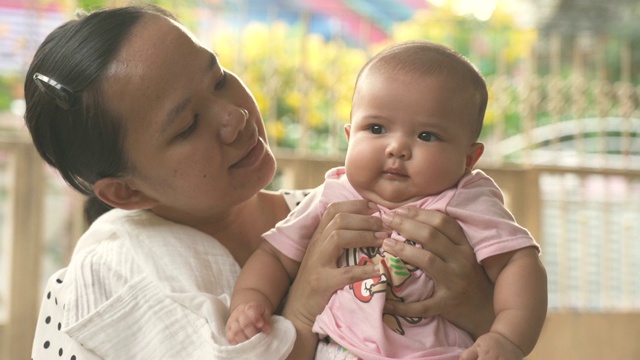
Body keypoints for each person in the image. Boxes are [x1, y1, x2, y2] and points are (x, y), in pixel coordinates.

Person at [26, 5, 497, 360]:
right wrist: (300, 314)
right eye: (187, 125)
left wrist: (480, 310)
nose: (234, 117)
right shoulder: (98, 289)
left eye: (218, 79)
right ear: (126, 192)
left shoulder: (340, 214)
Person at [226, 40, 547, 360]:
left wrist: (507, 337)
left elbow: (517, 262)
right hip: (339, 348)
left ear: (469, 158)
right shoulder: (333, 196)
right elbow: (275, 256)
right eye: (376, 128)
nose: (397, 148)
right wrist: (251, 300)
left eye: (426, 136)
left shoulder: (465, 199)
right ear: (350, 138)